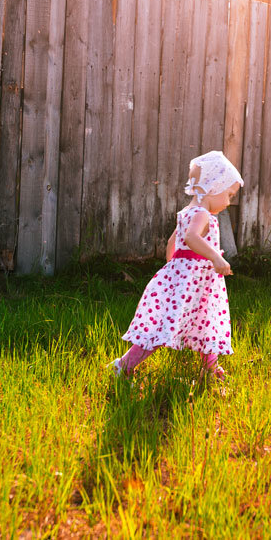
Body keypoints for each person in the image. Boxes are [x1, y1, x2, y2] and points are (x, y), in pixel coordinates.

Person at [110, 150, 243, 381]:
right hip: (196, 280)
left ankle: (210, 369)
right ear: (214, 187)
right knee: (172, 326)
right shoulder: (202, 214)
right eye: (229, 194)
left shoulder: (186, 213)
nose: (229, 201)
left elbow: (173, 243)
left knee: (205, 321)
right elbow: (192, 238)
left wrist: (174, 271)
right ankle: (123, 365)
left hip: (192, 282)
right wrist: (215, 257)